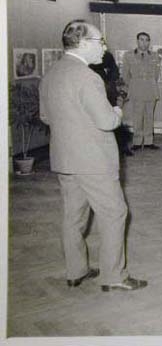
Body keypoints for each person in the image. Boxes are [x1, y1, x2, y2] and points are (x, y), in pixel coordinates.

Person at [39, 19, 147, 291]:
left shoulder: (51, 74)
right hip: (94, 161)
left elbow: (45, 117)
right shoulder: (88, 77)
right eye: (100, 41)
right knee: (114, 213)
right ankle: (113, 276)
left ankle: (76, 271)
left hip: (65, 159)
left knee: (73, 217)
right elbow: (107, 121)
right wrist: (118, 110)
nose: (104, 47)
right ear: (83, 43)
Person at [89, 47, 134, 157]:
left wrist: (110, 84)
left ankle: (122, 147)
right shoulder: (88, 57)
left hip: (109, 92)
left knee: (115, 119)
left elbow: (115, 72)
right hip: (94, 91)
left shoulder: (108, 56)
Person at [122, 32, 161, 150]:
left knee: (149, 116)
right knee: (137, 117)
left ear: (149, 42)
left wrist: (149, 83)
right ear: (137, 41)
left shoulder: (155, 56)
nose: (144, 43)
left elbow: (156, 74)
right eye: (142, 40)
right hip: (137, 90)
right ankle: (137, 142)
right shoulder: (129, 56)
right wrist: (130, 87)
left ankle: (149, 141)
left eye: (147, 40)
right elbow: (125, 75)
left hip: (151, 90)